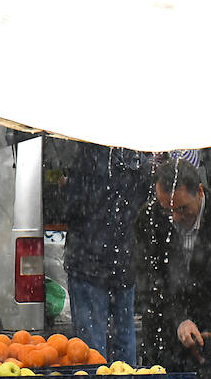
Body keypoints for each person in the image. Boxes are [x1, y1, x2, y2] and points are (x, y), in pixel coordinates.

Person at [135, 158, 211, 379]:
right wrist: (179, 318)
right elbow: (150, 281)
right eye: (167, 210)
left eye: (182, 209)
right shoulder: (149, 218)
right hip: (163, 334)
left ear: (199, 191)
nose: (175, 218)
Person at [62, 143, 151, 364]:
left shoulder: (89, 153)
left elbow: (71, 208)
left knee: (91, 348)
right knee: (124, 337)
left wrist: (63, 188)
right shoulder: (138, 156)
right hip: (123, 261)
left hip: (88, 262)